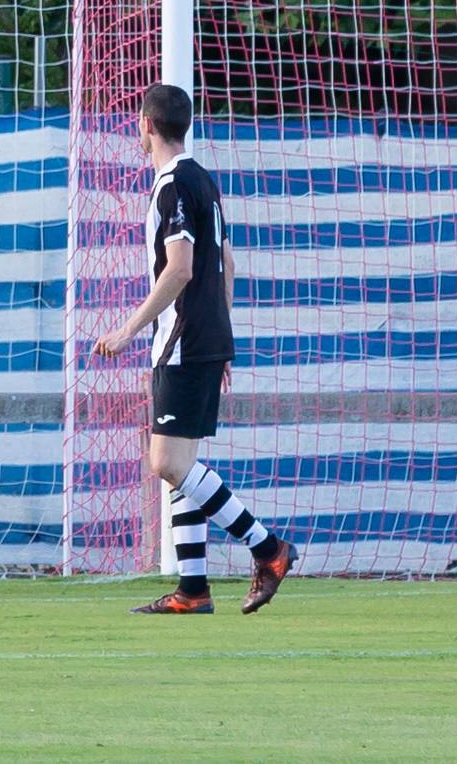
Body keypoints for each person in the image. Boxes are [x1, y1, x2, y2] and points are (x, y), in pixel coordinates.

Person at [96, 83, 296, 615]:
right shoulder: (204, 180)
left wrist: (127, 330)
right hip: (204, 337)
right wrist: (222, 338)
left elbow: (180, 268)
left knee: (167, 462)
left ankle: (268, 549)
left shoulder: (171, 185)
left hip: (183, 340)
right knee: (181, 461)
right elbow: (227, 262)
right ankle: (192, 589)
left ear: (146, 125)